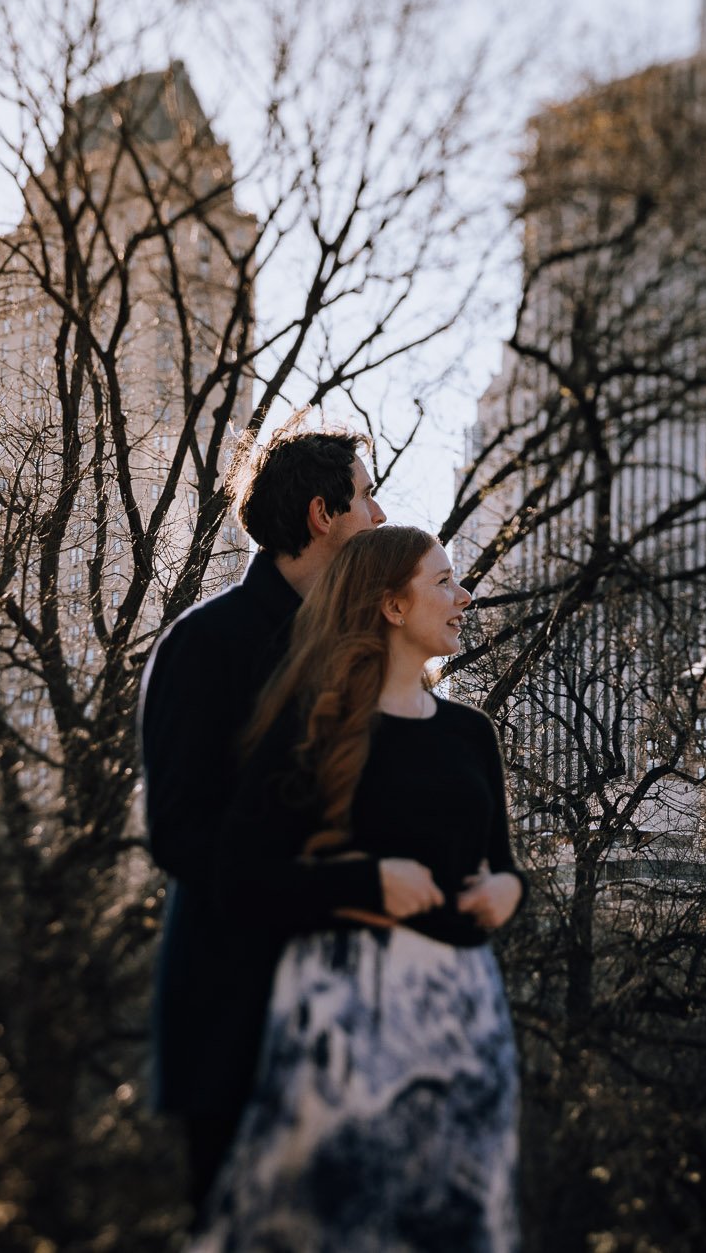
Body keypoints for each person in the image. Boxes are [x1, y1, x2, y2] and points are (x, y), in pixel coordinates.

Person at [192, 525, 524, 1252]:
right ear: (392, 606)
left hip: (464, 1017)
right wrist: (368, 880)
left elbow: (501, 863)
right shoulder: (309, 722)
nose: (464, 595)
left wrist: (507, 892)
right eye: (443, 581)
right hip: (343, 1022)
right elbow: (238, 879)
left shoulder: (472, 733)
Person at [140, 429, 386, 1225]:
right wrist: (338, 888)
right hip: (237, 1029)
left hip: (351, 1032)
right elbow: (181, 838)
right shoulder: (206, 645)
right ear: (322, 514)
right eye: (366, 494)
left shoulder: (355, 656)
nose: (380, 515)